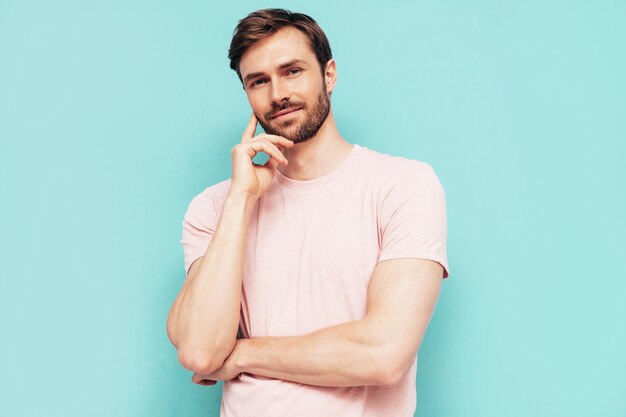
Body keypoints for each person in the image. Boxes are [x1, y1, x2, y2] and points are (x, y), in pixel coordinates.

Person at [166, 8, 450, 417]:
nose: (277, 93)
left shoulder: (403, 186)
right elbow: (198, 350)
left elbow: (384, 354)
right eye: (258, 81)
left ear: (329, 74)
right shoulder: (214, 207)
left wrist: (244, 354)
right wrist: (241, 199)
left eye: (292, 71)